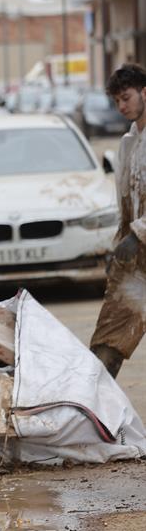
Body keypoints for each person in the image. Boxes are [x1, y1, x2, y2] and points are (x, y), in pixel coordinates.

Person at [91, 63, 146, 378]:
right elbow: (126, 202)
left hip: (140, 241)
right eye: (116, 101)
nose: (122, 106)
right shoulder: (128, 143)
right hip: (138, 260)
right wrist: (121, 243)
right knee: (109, 338)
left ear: (145, 93)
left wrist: (137, 234)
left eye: (126, 98)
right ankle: (92, 402)